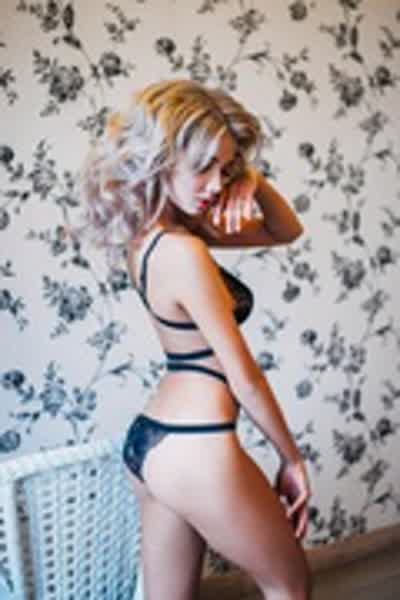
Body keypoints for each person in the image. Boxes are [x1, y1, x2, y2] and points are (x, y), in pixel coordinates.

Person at [78, 79, 312, 600]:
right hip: (196, 444)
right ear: (161, 158)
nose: (215, 183)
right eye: (203, 166)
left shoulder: (150, 235)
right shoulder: (183, 250)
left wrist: (251, 179)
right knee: (290, 586)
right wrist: (291, 459)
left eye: (224, 168)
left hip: (151, 443)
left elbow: (286, 230)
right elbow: (244, 377)